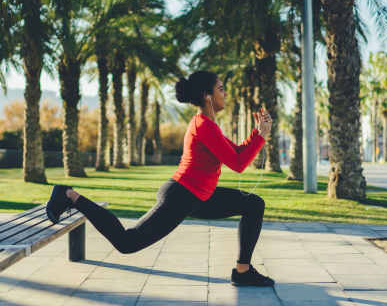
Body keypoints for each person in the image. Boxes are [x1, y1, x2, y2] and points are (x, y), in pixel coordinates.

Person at [46, 70, 274, 287]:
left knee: (253, 204)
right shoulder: (203, 125)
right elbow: (239, 164)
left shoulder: (209, 125)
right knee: (127, 243)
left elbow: (236, 154)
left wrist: (257, 133)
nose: (225, 93)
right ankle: (69, 195)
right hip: (181, 196)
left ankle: (243, 271)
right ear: (207, 96)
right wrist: (261, 137)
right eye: (221, 89)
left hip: (199, 196)